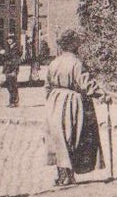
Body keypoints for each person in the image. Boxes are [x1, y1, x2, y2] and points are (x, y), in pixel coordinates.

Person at [43, 30, 111, 186]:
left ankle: (62, 174)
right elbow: (87, 84)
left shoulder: (54, 63)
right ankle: (68, 175)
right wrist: (103, 95)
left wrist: (52, 101)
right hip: (73, 101)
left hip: (55, 101)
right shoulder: (76, 63)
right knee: (73, 137)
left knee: (58, 138)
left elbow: (47, 86)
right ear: (74, 46)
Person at [0, 35, 22, 107]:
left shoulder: (16, 48)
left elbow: (12, 56)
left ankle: (14, 102)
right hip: (8, 69)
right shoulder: (9, 47)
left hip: (13, 69)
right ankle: (12, 102)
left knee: (12, 85)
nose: (9, 40)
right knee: (9, 86)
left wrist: (4, 53)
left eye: (10, 39)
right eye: (8, 39)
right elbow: (5, 59)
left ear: (13, 40)